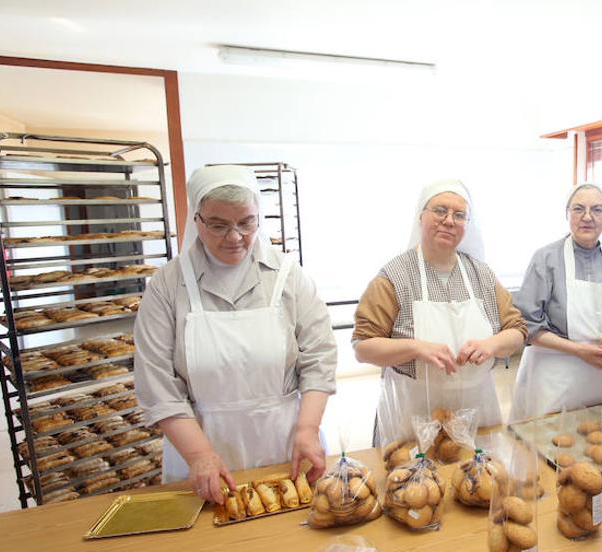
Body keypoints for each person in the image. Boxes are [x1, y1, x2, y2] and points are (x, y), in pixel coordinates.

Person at [135, 165, 337, 503]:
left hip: (287, 441)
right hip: (201, 444)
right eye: (218, 225)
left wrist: (307, 429)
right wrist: (199, 455)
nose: (234, 237)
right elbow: (156, 383)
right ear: (196, 220)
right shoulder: (167, 286)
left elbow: (320, 358)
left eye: (246, 223)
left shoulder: (288, 277)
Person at [353, 179, 526, 438]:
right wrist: (415, 348)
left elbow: (518, 331)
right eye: (439, 211)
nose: (448, 220)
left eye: (459, 215)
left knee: (478, 477)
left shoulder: (482, 275)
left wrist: (492, 344)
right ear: (420, 217)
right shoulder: (394, 277)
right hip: (413, 414)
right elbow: (363, 347)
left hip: (477, 408)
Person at [510, 183, 602, 420]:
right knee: (555, 449)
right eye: (578, 209)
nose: (587, 217)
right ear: (567, 214)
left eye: (597, 210)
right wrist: (579, 350)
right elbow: (527, 326)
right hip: (559, 380)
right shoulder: (546, 260)